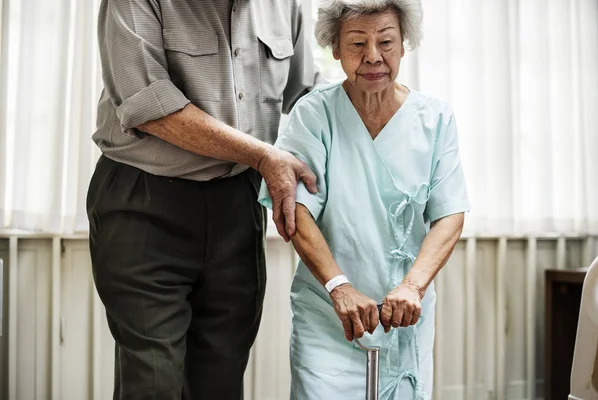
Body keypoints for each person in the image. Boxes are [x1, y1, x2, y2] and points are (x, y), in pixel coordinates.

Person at [86, 1, 320, 399]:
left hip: (237, 204)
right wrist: (264, 155)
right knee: (153, 380)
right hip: (144, 202)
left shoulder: (285, 5)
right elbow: (149, 108)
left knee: (221, 376)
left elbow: (305, 101)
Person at [258, 0, 470, 398]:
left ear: (403, 45)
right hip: (328, 315)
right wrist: (339, 286)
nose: (373, 56)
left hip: (404, 315)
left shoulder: (436, 119)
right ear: (334, 49)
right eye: (357, 44)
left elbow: (450, 213)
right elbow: (295, 212)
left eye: (386, 42)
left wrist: (414, 287)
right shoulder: (313, 115)